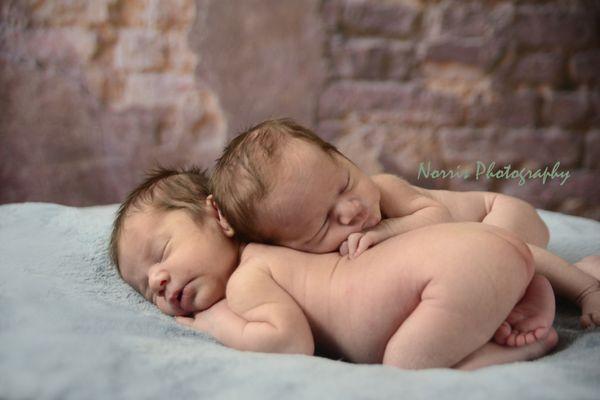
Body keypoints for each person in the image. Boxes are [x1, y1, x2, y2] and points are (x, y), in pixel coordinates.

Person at [110, 167, 558, 370]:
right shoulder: (296, 237)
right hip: (473, 255)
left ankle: (517, 350)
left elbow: (288, 342)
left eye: (162, 250)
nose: (157, 280)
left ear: (217, 215)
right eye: (145, 288)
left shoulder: (252, 272)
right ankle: (525, 294)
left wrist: (211, 326)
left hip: (448, 275)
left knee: (404, 365)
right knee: (484, 276)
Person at [210, 118, 600, 338]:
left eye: (344, 183)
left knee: (507, 247)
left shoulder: (384, 190)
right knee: (495, 281)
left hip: (495, 216)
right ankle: (566, 276)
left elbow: (437, 219)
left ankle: (585, 288)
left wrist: (387, 233)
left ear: (342, 156)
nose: (351, 211)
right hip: (467, 265)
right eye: (321, 225)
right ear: (290, 246)